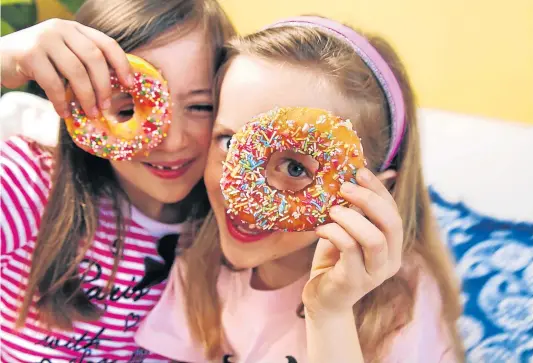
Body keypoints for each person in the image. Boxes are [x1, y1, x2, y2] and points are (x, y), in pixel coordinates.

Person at [135, 16, 465, 363]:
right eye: (230, 142)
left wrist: (330, 314)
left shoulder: (399, 306)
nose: (242, 196)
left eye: (296, 168)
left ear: (370, 196)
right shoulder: (201, 260)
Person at [0, 0, 235, 360]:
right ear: (81, 109)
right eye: (128, 109)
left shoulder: (238, 237)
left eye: (202, 107)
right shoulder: (29, 185)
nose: (171, 141)